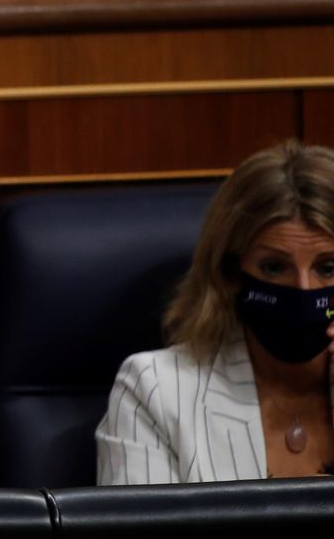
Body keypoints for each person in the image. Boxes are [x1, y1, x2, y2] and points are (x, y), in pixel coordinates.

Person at [96, 141, 334, 483]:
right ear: (230, 272)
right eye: (273, 267)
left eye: (327, 268)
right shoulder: (155, 392)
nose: (303, 289)